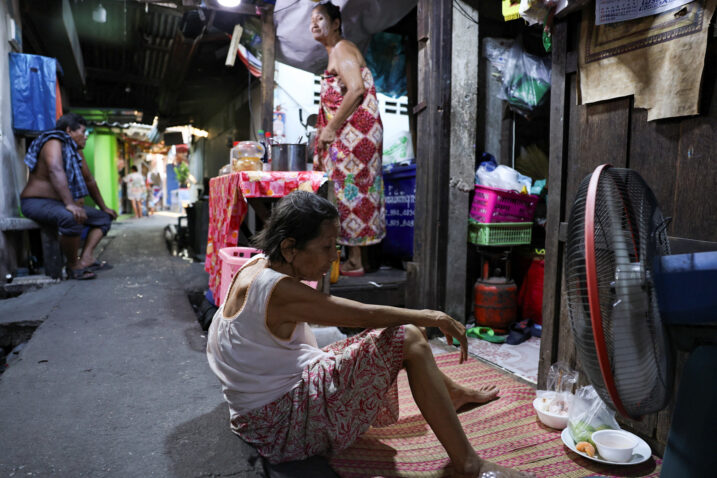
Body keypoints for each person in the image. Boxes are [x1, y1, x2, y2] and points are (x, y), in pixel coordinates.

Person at [206, 191, 531, 478]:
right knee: (410, 337)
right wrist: (432, 317)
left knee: (393, 339)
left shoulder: (258, 267)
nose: (334, 256)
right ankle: (469, 465)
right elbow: (364, 315)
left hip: (258, 414)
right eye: (326, 246)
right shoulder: (278, 290)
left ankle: (453, 393)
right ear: (290, 247)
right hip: (279, 425)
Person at [312, 1, 385, 277]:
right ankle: (356, 256)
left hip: (355, 137)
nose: (313, 24)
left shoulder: (342, 48)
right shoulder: (337, 52)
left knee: (349, 189)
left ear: (335, 23)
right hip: (355, 135)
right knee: (352, 189)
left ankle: (356, 259)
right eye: (312, 20)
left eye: (320, 18)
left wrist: (330, 128)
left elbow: (355, 89)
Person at [20, 113, 117, 280]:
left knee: (103, 218)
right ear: (68, 131)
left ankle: (86, 258)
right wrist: (70, 204)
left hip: (58, 204)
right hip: (35, 202)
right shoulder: (53, 142)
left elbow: (89, 180)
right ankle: (73, 266)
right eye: (83, 131)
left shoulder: (75, 151)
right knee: (71, 217)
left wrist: (104, 208)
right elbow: (55, 169)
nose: (86, 136)